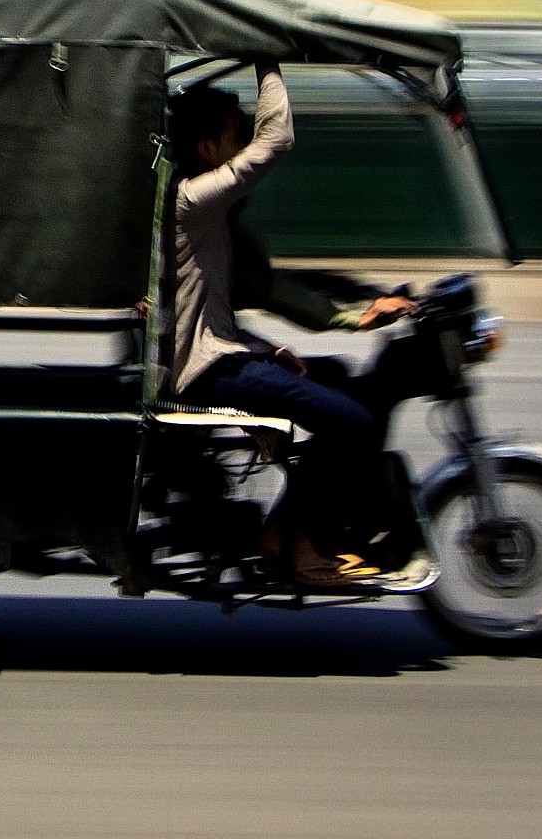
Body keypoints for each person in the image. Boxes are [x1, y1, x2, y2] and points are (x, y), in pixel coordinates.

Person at [163, 64, 417, 583]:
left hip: (220, 357)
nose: (245, 146)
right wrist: (269, 58)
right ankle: (299, 546)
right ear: (207, 149)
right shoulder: (194, 200)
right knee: (353, 423)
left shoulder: (206, 213)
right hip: (208, 372)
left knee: (341, 381)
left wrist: (264, 349)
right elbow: (276, 139)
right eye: (236, 136)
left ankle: (285, 528)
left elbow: (217, 311)